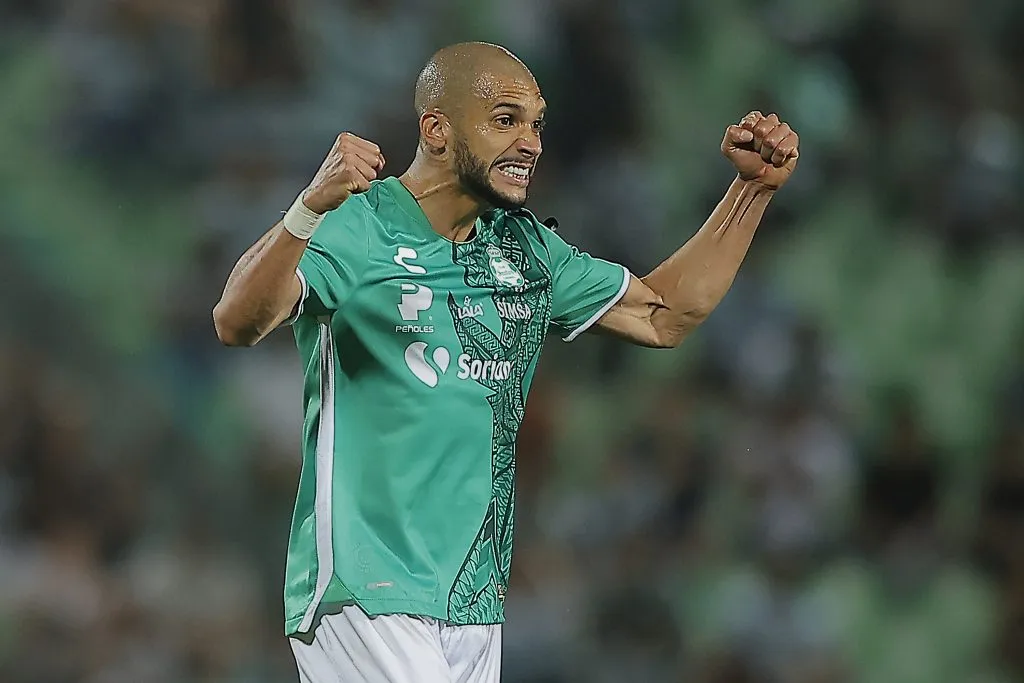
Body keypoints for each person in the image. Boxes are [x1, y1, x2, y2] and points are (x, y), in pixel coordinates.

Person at [213, 41, 799, 683]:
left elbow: (663, 316)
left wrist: (752, 191)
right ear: (436, 129)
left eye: (537, 123)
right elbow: (237, 321)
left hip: (473, 602)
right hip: (366, 588)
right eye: (505, 120)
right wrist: (308, 208)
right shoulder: (363, 225)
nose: (531, 142)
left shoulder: (523, 251)